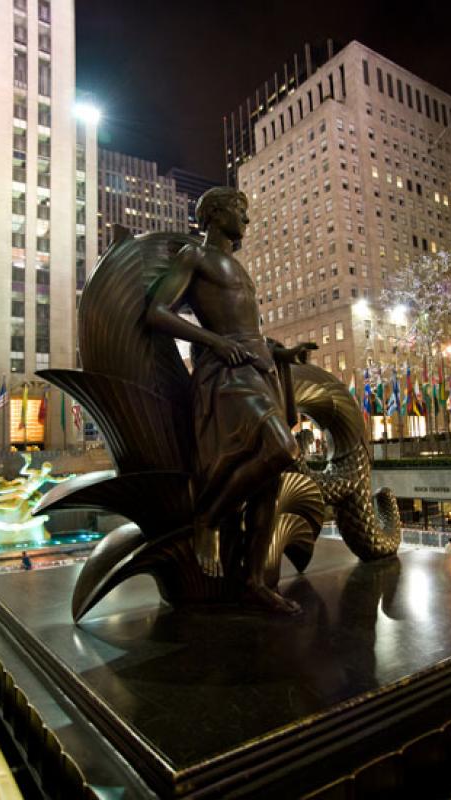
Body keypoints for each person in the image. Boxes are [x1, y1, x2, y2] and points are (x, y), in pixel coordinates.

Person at [147, 186, 313, 613]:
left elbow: (249, 328)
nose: (247, 220)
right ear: (215, 213)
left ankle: (255, 581)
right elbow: (157, 312)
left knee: (268, 487)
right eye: (240, 211)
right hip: (227, 375)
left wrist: (281, 353)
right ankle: (208, 519)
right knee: (283, 448)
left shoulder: (238, 267)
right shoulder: (195, 258)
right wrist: (213, 342)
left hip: (258, 369)